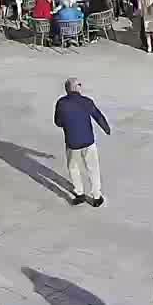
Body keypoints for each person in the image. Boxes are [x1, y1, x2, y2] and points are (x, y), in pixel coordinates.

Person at [54, 77, 111, 207]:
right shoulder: (86, 101)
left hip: (72, 142)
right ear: (75, 87)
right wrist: (106, 128)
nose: (81, 86)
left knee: (73, 167)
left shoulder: (61, 103)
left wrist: (68, 123)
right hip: (88, 141)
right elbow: (98, 116)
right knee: (93, 168)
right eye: (79, 84)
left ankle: (79, 193)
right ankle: (96, 197)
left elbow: (58, 122)